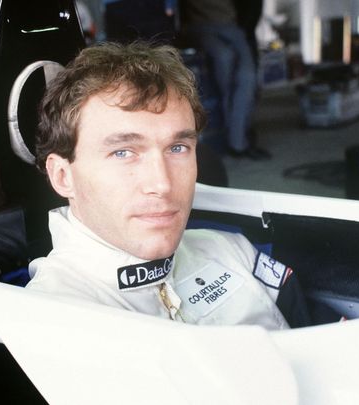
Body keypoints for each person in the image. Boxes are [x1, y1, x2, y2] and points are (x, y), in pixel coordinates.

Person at [26, 41, 310, 329]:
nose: (162, 184)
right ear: (63, 176)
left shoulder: (230, 249)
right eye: (123, 152)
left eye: (177, 148)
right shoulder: (51, 320)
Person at [179, 0, 269, 159]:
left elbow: (251, 8)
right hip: (201, 27)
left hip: (234, 28)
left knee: (247, 78)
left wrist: (246, 27)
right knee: (225, 61)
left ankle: (239, 142)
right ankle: (234, 138)